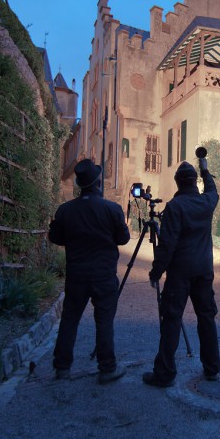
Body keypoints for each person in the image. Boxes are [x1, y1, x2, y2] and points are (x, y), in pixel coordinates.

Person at [48, 159, 131, 384]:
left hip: (77, 274)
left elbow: (55, 237)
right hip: (103, 274)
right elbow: (123, 239)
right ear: (97, 184)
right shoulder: (111, 209)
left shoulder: (65, 210)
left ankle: (62, 367)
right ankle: (107, 368)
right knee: (104, 321)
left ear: (80, 185)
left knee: (70, 319)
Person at [143, 156, 220, 387]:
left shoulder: (175, 207)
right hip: (204, 271)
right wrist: (205, 170)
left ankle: (164, 374)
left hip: (180, 274)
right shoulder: (207, 202)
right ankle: (212, 369)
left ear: (177, 182)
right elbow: (213, 189)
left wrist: (156, 272)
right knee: (206, 318)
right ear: (194, 182)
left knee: (172, 319)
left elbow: (167, 245)